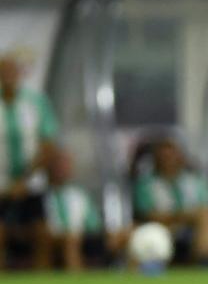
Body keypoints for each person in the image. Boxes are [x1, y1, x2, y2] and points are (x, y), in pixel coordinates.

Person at [0, 52, 57, 269]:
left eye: (11, 71)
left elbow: (48, 144)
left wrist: (24, 180)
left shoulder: (36, 102)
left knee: (41, 231)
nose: (7, 76)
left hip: (31, 179)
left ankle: (43, 278)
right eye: (3, 71)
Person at [132, 136, 208, 265]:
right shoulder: (146, 185)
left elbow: (207, 210)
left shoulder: (196, 181)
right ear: (156, 159)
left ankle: (206, 262)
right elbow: (149, 215)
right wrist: (184, 216)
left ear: (181, 157)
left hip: (194, 229)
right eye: (164, 156)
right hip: (163, 229)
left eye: (172, 155)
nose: (169, 160)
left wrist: (188, 217)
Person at [43, 146, 119, 271]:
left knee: (121, 235)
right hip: (55, 239)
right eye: (58, 165)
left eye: (65, 165)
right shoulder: (41, 195)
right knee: (71, 240)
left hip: (84, 237)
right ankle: (76, 280)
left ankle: (128, 278)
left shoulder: (79, 195)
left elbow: (94, 225)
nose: (62, 169)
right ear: (49, 168)